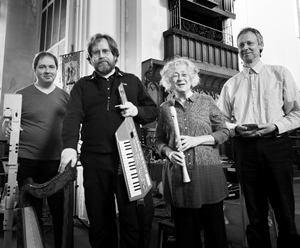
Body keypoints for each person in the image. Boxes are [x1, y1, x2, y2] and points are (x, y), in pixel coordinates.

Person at [58, 33, 158, 248]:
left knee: (133, 216)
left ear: (115, 55)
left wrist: (136, 110)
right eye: (96, 53)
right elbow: (72, 116)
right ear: (90, 59)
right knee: (99, 218)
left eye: (105, 51)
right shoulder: (82, 86)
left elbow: (153, 111)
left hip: (128, 158)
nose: (101, 56)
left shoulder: (132, 81)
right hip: (95, 160)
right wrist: (69, 147)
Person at [217, 27, 300, 248]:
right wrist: (235, 129)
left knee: (284, 210)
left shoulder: (280, 73)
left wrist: (274, 125)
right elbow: (219, 120)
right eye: (241, 45)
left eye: (250, 43)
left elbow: (297, 113)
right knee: (255, 213)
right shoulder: (231, 84)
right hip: (245, 148)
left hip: (276, 144)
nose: (245, 48)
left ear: (260, 45)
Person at [154, 57, 230, 248]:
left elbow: (224, 131)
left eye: (184, 74)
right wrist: (169, 152)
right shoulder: (164, 108)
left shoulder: (206, 101)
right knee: (186, 236)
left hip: (208, 174)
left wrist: (197, 140)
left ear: (192, 77)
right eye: (175, 75)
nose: (180, 78)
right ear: (169, 81)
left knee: (215, 233)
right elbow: (158, 141)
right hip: (179, 177)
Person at [2, 51, 69, 248]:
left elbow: (74, 125)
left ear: (57, 70)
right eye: (42, 67)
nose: (47, 71)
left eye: (51, 67)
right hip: (27, 160)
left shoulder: (66, 97)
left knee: (60, 213)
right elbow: (5, 121)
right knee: (30, 212)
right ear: (35, 70)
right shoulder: (20, 95)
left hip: (57, 163)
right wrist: (7, 125)